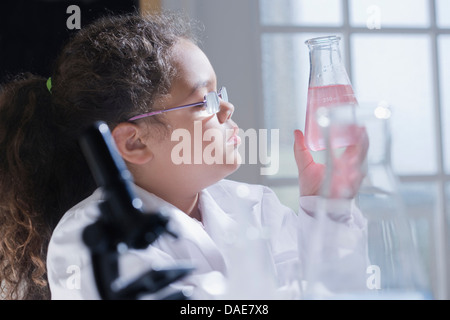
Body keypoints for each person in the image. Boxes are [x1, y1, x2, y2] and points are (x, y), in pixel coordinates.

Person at [0, 12, 368, 300]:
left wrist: (329, 207)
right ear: (134, 143)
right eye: (204, 99)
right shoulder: (91, 240)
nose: (227, 107)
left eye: (219, 90)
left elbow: (343, 290)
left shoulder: (256, 205)